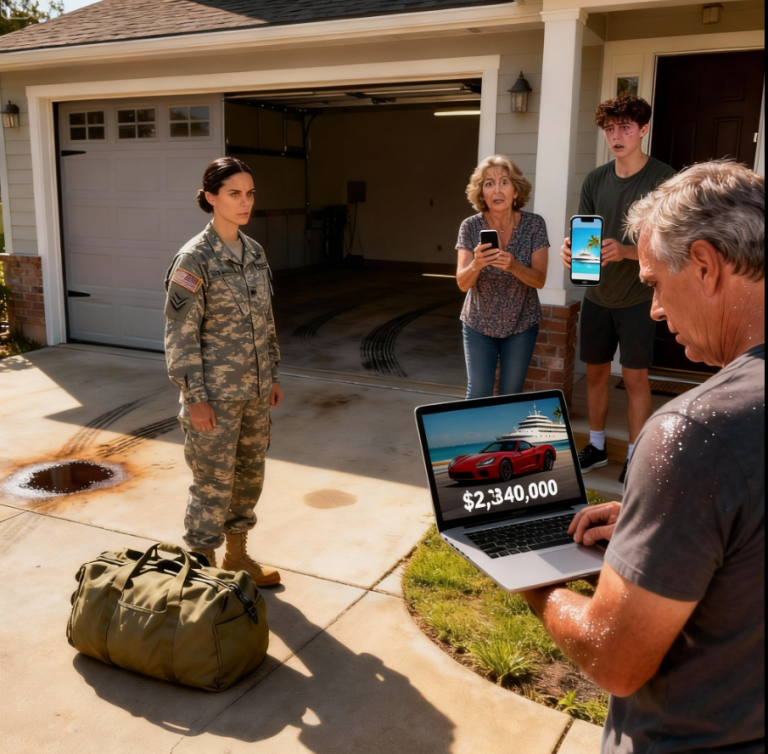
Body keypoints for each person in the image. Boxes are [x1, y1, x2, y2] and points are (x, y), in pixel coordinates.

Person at [523, 161, 765, 752]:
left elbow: (615, 659)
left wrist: (534, 581)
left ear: (705, 265)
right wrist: (664, 525)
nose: (654, 308)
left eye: (655, 284)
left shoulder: (697, 431)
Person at [164, 156, 283, 586]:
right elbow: (180, 334)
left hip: (255, 392)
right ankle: (200, 573)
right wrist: (194, 397)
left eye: (250, 193)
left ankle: (236, 556)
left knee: (248, 478)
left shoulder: (255, 252)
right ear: (211, 197)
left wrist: (272, 374)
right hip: (213, 398)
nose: (245, 202)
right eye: (234, 193)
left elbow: (266, 320)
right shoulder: (193, 258)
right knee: (212, 485)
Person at [562, 95, 676, 483]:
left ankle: (634, 455)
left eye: (625, 127)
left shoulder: (663, 179)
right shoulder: (595, 179)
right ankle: (595, 447)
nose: (616, 136)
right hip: (597, 295)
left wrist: (626, 251)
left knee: (634, 379)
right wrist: (572, 251)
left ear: (643, 129)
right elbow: (586, 232)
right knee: (595, 375)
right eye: (610, 129)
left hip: (639, 298)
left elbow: (670, 243)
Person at [456, 155, 549, 398]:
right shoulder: (470, 226)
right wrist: (476, 264)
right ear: (482, 193)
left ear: (516, 190)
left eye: (504, 182)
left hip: (522, 323)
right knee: (478, 393)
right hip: (478, 323)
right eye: (489, 183)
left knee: (511, 395)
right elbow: (462, 283)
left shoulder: (534, 225)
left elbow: (539, 280)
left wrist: (514, 266)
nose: (497, 190)